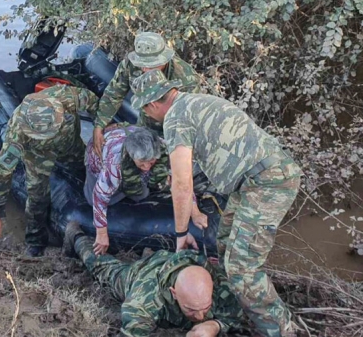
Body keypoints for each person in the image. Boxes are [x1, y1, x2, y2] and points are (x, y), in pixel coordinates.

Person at [130, 69, 303, 337]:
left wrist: (180, 233)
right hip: (253, 180)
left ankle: (283, 331)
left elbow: (182, 183)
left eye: (145, 110)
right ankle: (225, 303)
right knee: (224, 239)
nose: (148, 116)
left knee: (242, 269)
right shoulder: (197, 101)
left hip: (266, 182)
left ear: (152, 104)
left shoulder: (174, 119)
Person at [62, 221, 244, 337]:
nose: (199, 317)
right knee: (104, 269)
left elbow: (237, 317)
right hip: (139, 275)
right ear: (173, 293)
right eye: (191, 310)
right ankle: (76, 237)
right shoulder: (144, 300)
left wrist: (214, 325)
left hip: (172, 263)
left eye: (205, 308)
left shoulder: (220, 285)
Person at [0, 84, 99, 257]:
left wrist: (100, 129)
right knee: (37, 196)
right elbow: (0, 172)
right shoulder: (18, 132)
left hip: (70, 144)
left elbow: (96, 105)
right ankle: (35, 241)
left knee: (84, 172)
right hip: (38, 155)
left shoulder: (67, 96)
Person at [84, 126, 207, 255]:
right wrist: (101, 233)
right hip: (98, 158)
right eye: (142, 163)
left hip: (129, 152)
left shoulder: (163, 147)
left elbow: (181, 182)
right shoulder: (114, 163)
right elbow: (99, 197)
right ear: (132, 157)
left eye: (151, 162)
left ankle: (132, 184)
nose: (147, 167)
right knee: (97, 199)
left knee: (142, 194)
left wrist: (195, 211)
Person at [92, 31, 204, 157]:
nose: (145, 69)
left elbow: (191, 121)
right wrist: (99, 125)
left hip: (175, 132)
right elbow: (114, 93)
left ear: (164, 60)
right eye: (142, 64)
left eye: (151, 66)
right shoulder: (131, 65)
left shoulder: (185, 77)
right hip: (145, 125)